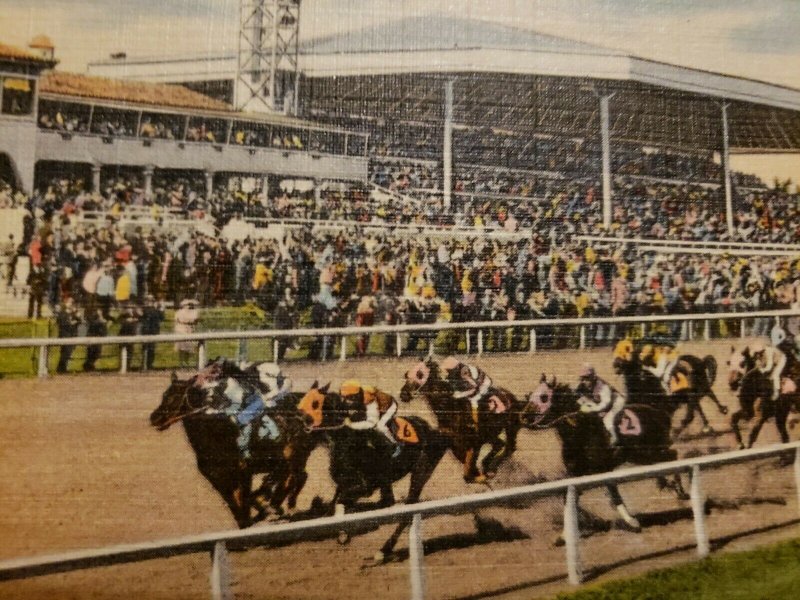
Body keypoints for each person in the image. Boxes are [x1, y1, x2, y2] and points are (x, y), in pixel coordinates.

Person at [340, 380, 401, 458]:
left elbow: (371, 423)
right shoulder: (359, 392)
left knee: (380, 426)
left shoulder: (369, 402)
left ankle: (395, 444)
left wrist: (351, 425)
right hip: (379, 404)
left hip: (390, 406)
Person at [575, 364, 626, 446]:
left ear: (593, 377)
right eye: (582, 379)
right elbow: (576, 397)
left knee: (607, 419)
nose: (584, 381)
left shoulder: (602, 386)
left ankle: (614, 437)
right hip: (601, 404)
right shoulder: (581, 386)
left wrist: (592, 409)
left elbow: (606, 403)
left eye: (587, 379)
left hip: (616, 402)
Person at [440, 356, 492, 424]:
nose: (446, 372)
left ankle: (476, 424)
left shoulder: (464, 372)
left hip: (483, 386)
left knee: (473, 401)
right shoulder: (460, 371)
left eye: (447, 370)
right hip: (478, 386)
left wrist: (461, 395)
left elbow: (474, 387)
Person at [55, 298, 81, 373]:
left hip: (72, 335)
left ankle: (63, 368)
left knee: (69, 353)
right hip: (64, 335)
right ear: (65, 303)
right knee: (65, 352)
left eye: (72, 302)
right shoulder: (62, 313)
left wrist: (76, 315)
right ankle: (60, 368)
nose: (71, 304)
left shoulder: (73, 313)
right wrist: (72, 322)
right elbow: (63, 323)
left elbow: (80, 321)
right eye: (69, 302)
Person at [139, 294, 164, 371]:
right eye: (148, 300)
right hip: (147, 330)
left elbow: (162, 318)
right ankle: (145, 365)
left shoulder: (154, 310)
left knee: (151, 349)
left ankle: (148, 364)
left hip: (152, 330)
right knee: (146, 348)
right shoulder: (146, 309)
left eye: (151, 300)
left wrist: (161, 309)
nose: (149, 302)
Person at [174, 298, 200, 367]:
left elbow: (195, 320)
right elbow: (176, 321)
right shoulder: (179, 312)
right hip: (181, 330)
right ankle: (182, 363)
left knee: (189, 348)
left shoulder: (195, 312)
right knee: (182, 348)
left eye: (190, 305)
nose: (188, 306)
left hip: (190, 330)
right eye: (187, 305)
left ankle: (187, 362)